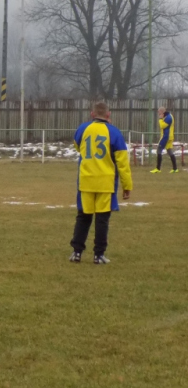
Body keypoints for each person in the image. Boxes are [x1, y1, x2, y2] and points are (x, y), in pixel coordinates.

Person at [69, 102, 133, 265]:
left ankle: (76, 253)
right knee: (102, 219)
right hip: (106, 182)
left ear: (92, 114)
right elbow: (123, 163)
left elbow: (77, 147)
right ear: (108, 115)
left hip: (86, 181)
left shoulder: (83, 129)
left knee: (83, 217)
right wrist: (127, 185)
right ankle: (99, 255)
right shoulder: (114, 132)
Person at [151, 106, 178, 174]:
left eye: (159, 112)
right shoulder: (167, 116)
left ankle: (158, 168)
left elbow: (162, 126)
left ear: (162, 112)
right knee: (169, 151)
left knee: (159, 150)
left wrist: (160, 119)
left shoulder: (168, 117)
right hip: (168, 136)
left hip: (166, 137)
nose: (158, 114)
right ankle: (175, 168)